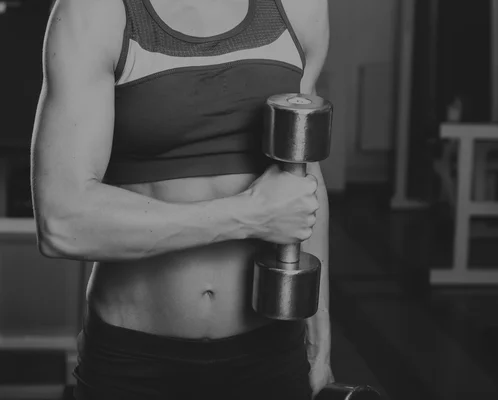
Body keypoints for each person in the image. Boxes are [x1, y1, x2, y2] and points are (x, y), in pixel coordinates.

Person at [30, 0, 332, 398]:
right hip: (134, 360)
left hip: (271, 350)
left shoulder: (299, 8)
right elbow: (61, 222)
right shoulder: (94, 11)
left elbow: (303, 174)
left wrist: (320, 314)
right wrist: (247, 215)